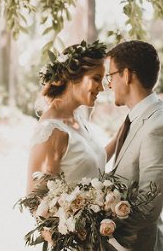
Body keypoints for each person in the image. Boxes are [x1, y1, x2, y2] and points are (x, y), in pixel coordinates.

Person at [106, 40, 163, 251]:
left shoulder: (159, 128)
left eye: (110, 76)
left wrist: (97, 227)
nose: (109, 84)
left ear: (127, 75)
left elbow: (148, 208)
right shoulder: (135, 119)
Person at [26, 40, 118, 194]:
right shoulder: (51, 131)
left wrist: (119, 138)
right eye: (96, 79)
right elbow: (35, 200)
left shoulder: (78, 117)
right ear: (73, 77)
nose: (102, 88)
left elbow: (90, 164)